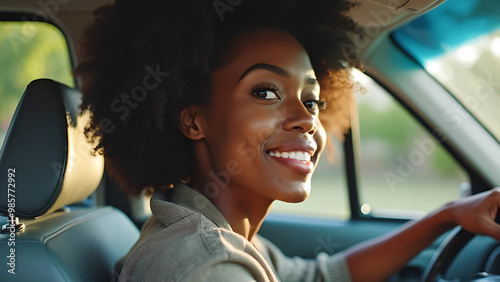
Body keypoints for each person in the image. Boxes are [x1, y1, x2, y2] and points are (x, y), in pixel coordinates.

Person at [75, 0, 500, 281]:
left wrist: (446, 215)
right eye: (265, 92)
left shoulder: (226, 236)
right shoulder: (205, 265)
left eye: (312, 100)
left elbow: (324, 276)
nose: (305, 119)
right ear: (193, 121)